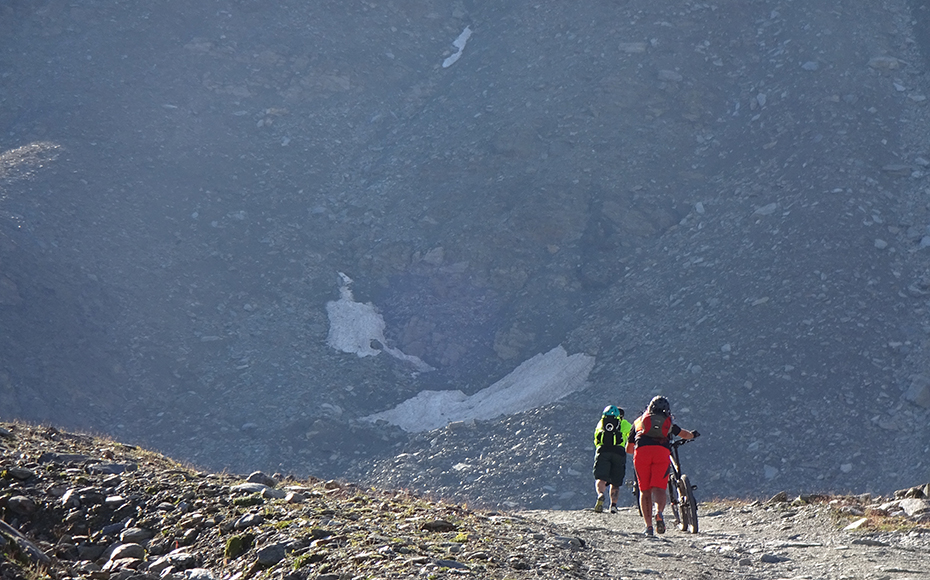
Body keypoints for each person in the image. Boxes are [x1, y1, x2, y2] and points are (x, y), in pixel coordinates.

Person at [626, 396, 699, 535]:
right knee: (659, 488)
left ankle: (649, 527)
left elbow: (629, 449)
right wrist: (693, 434)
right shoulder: (668, 422)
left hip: (642, 454)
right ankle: (659, 513)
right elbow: (685, 434)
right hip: (661, 452)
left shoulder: (638, 421)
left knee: (645, 491)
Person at [592, 405, 632, 513]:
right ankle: (613, 505)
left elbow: (596, 439)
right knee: (615, 483)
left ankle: (600, 495)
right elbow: (633, 435)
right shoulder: (624, 424)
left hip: (603, 451)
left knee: (601, 478)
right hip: (618, 453)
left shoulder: (601, 423)